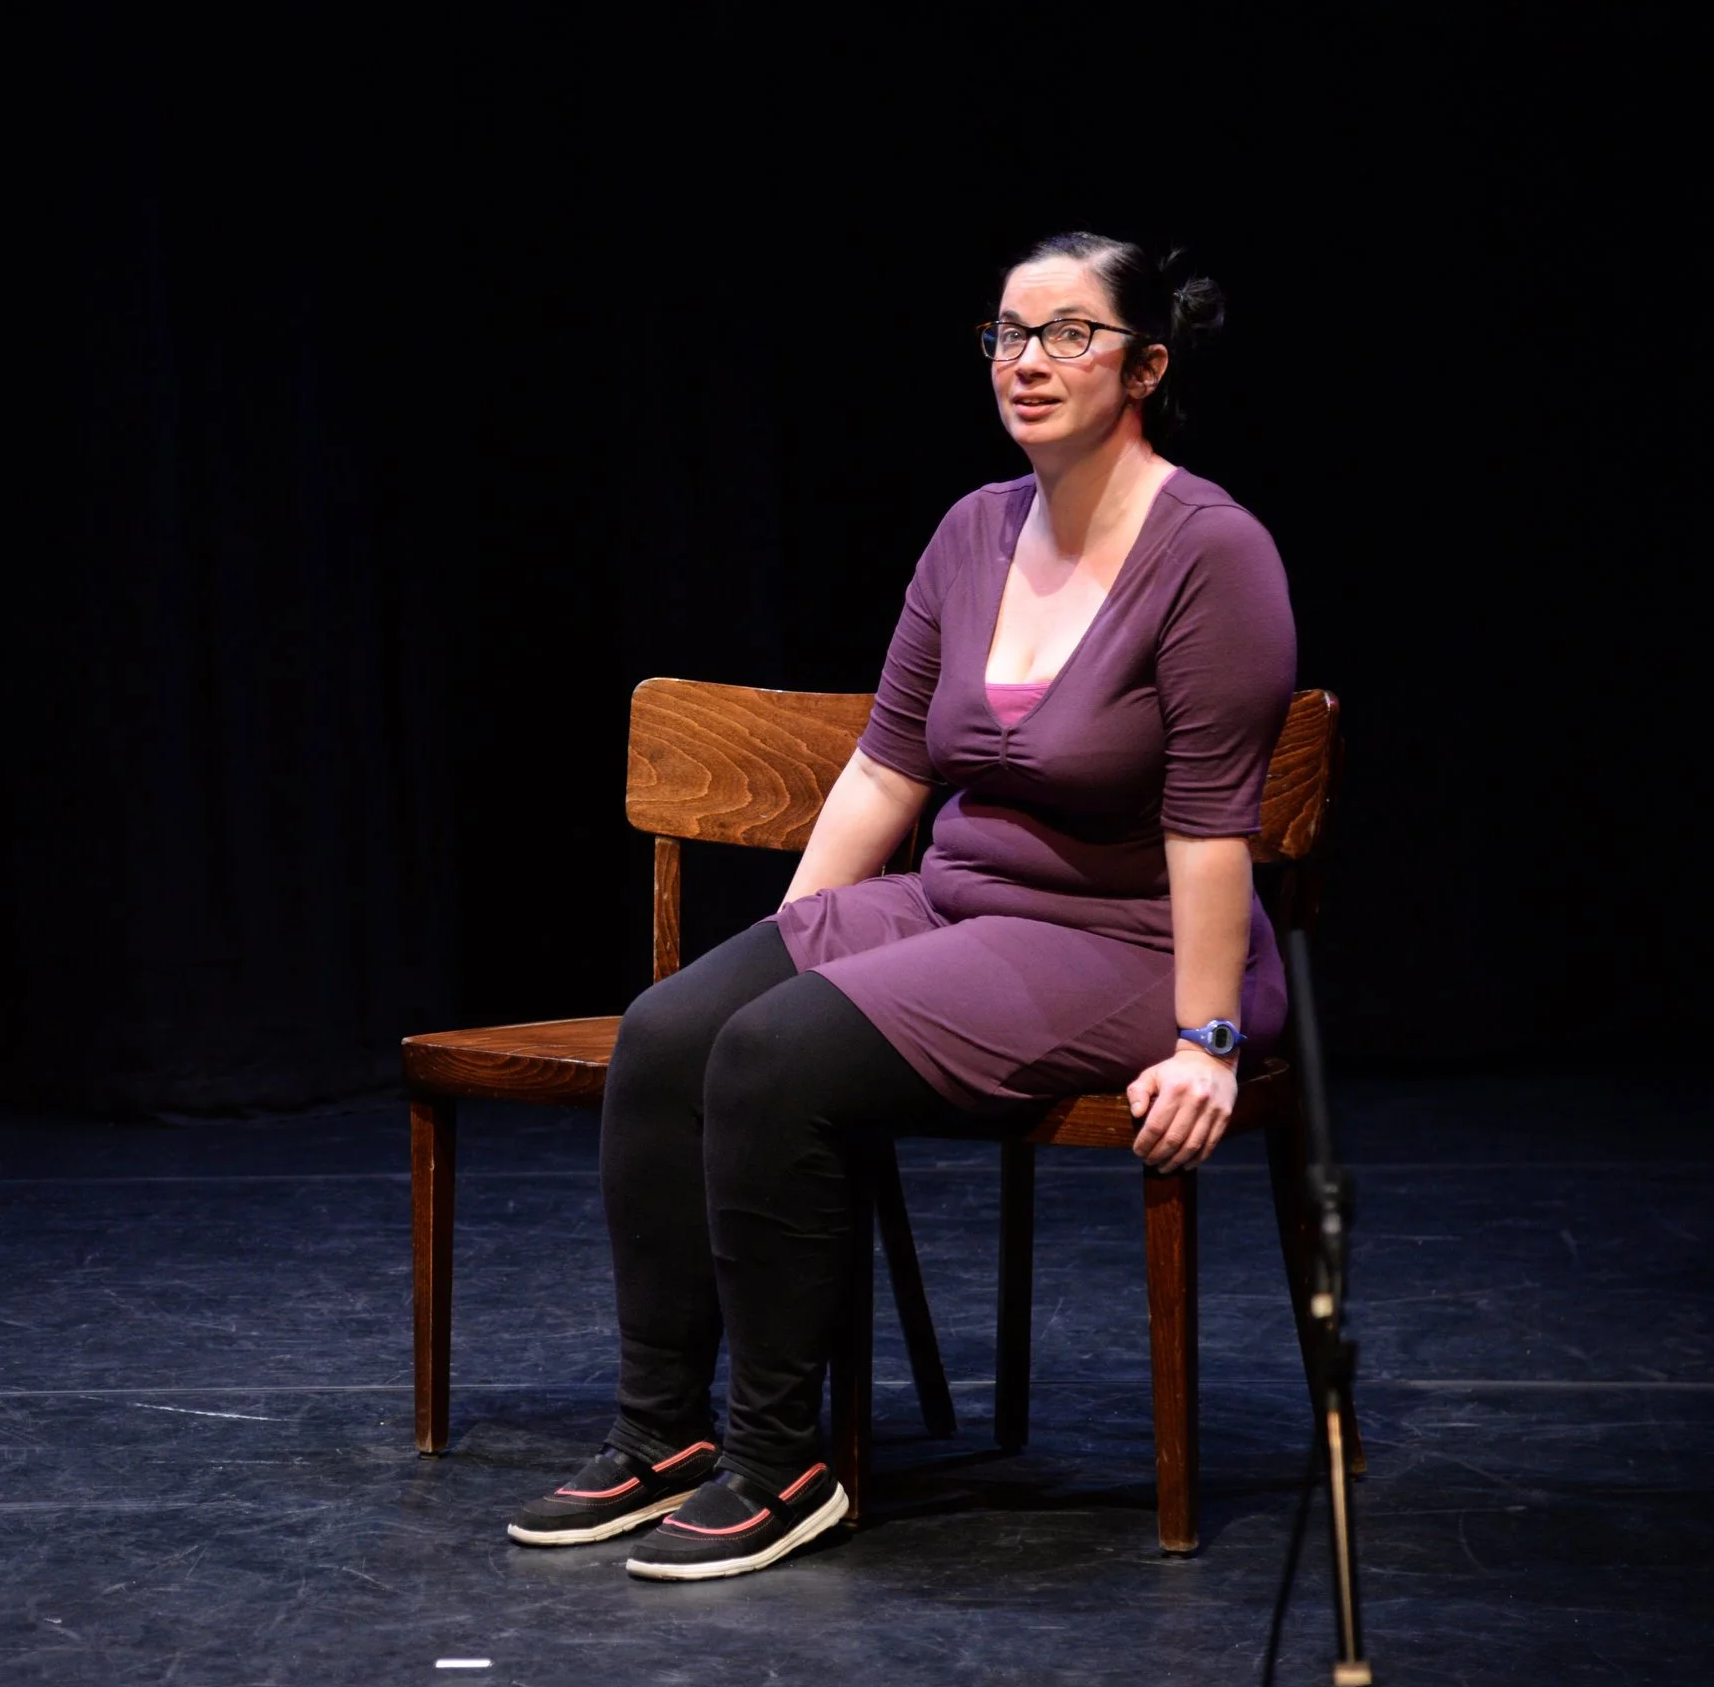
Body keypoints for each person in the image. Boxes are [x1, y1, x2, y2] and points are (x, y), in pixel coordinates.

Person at [508, 232, 1298, 1580]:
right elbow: (887, 765)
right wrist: (794, 948)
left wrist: (1208, 1037)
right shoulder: (973, 529)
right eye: (1007, 334)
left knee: (774, 1058)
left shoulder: (1211, 553)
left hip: (1128, 941)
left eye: (1067, 335)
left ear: (1147, 366)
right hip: (956, 905)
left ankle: (781, 1457)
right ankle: (663, 1431)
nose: (1028, 363)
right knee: (674, 1031)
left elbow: (1213, 827)